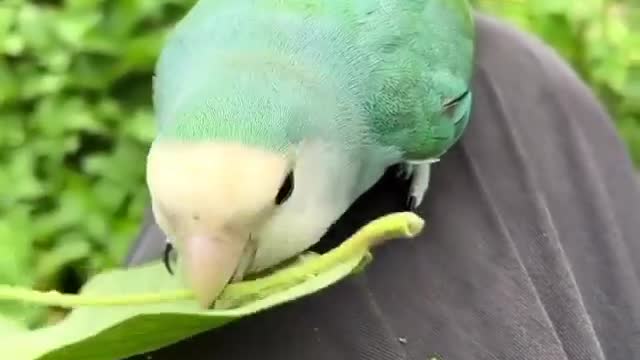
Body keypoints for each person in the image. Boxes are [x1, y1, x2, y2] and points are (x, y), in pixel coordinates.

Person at [125, 13, 640, 360]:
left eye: (280, 192)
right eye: (170, 214)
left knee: (508, 66)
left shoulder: (408, 98)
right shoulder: (177, 70)